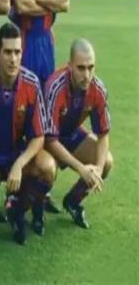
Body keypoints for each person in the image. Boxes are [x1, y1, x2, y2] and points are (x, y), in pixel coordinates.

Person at [0, 22, 56, 244]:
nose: (13, 59)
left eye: (17, 52)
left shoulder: (31, 83)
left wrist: (20, 163)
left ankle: (17, 207)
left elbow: (39, 136)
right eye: (7, 52)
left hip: (17, 153)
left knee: (47, 168)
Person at [8, 0, 70, 214]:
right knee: (22, 114)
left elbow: (65, 3)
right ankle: (16, 187)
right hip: (25, 39)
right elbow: (21, 5)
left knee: (46, 114)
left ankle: (41, 189)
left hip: (46, 40)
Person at [44, 38, 113, 228]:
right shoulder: (55, 87)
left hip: (71, 135)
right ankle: (27, 205)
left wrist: (97, 169)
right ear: (69, 66)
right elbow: (49, 140)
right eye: (81, 68)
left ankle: (73, 202)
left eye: (91, 67)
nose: (87, 75)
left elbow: (103, 135)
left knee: (106, 161)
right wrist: (82, 169)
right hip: (47, 141)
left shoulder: (98, 89)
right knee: (46, 169)